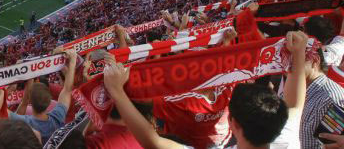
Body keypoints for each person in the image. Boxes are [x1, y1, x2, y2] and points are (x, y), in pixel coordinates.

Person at [102, 31, 309, 149]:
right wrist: (298, 54)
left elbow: (153, 142)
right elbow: (295, 105)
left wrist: (117, 91)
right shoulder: (287, 139)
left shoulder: (176, 102)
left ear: (233, 123)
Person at [9, 48, 78, 143]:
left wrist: (13, 77)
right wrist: (72, 61)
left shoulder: (25, 123)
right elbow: (67, 90)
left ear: (30, 102)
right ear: (49, 99)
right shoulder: (57, 117)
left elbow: (2, 109)